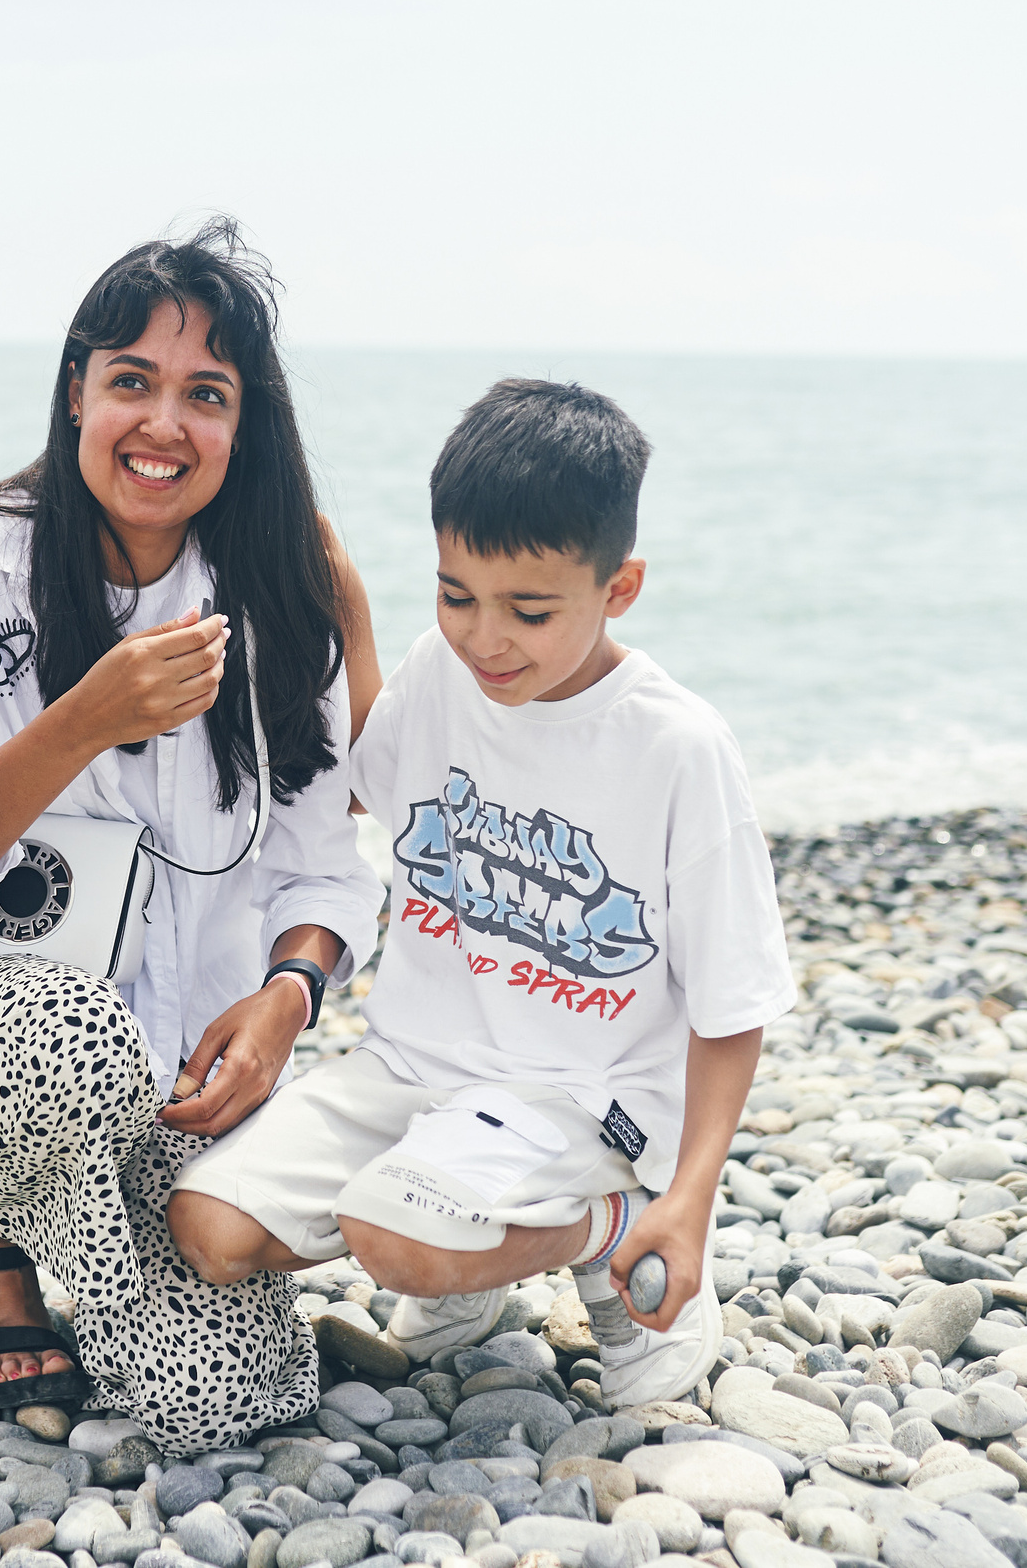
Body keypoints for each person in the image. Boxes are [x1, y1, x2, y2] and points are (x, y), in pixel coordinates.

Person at [0, 222, 386, 1454]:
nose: (163, 424)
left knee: (234, 1408)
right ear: (76, 389)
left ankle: (105, 1240)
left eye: (207, 395)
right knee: (66, 1042)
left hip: (179, 1078)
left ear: (245, 428)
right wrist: (84, 719)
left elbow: (322, 863)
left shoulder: (268, 592)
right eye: (131, 381)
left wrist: (290, 997)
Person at [168, 378, 793, 1406]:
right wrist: (352, 613)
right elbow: (376, 782)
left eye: (528, 611)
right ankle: (462, 1273)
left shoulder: (676, 748)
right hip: (414, 1069)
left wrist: (686, 1196)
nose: (484, 638)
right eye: (455, 594)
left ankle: (611, 1229)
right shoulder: (442, 668)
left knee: (387, 1236)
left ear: (618, 588)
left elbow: (735, 1006)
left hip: (577, 1098)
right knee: (209, 1225)